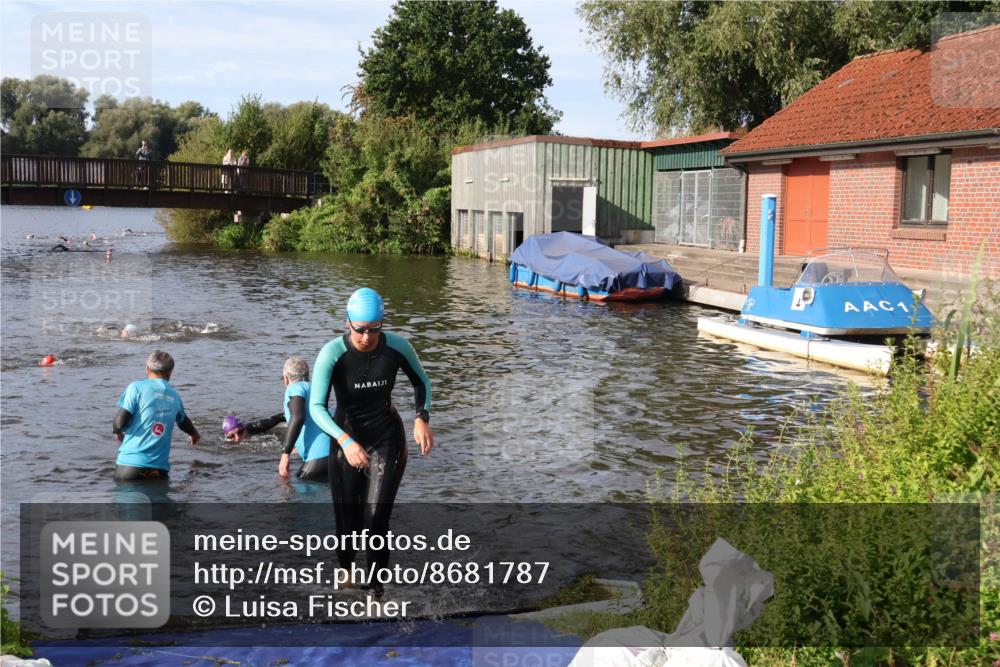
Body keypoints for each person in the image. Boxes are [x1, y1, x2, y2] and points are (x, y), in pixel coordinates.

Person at [310, 288, 434, 597]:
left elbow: (422, 382)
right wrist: (345, 440)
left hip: (386, 437)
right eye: (360, 329)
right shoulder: (332, 354)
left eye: (375, 329)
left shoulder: (397, 348)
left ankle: (376, 592)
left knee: (377, 518)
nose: (367, 336)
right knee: (346, 524)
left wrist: (421, 416)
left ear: (382, 324)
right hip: (346, 439)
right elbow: (316, 408)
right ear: (348, 323)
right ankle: (348, 576)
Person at [225, 357, 331, 481]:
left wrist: (285, 454)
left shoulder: (295, 388)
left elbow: (298, 417)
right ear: (308, 375)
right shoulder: (316, 390)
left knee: (290, 489)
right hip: (338, 452)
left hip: (320, 456)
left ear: (286, 379)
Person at [113, 351, 200, 481]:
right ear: (170, 372)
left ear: (146, 368)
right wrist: (194, 435)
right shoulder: (174, 396)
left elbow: (119, 424)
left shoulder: (136, 387)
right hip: (159, 470)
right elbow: (183, 422)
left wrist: (118, 433)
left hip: (130, 467)